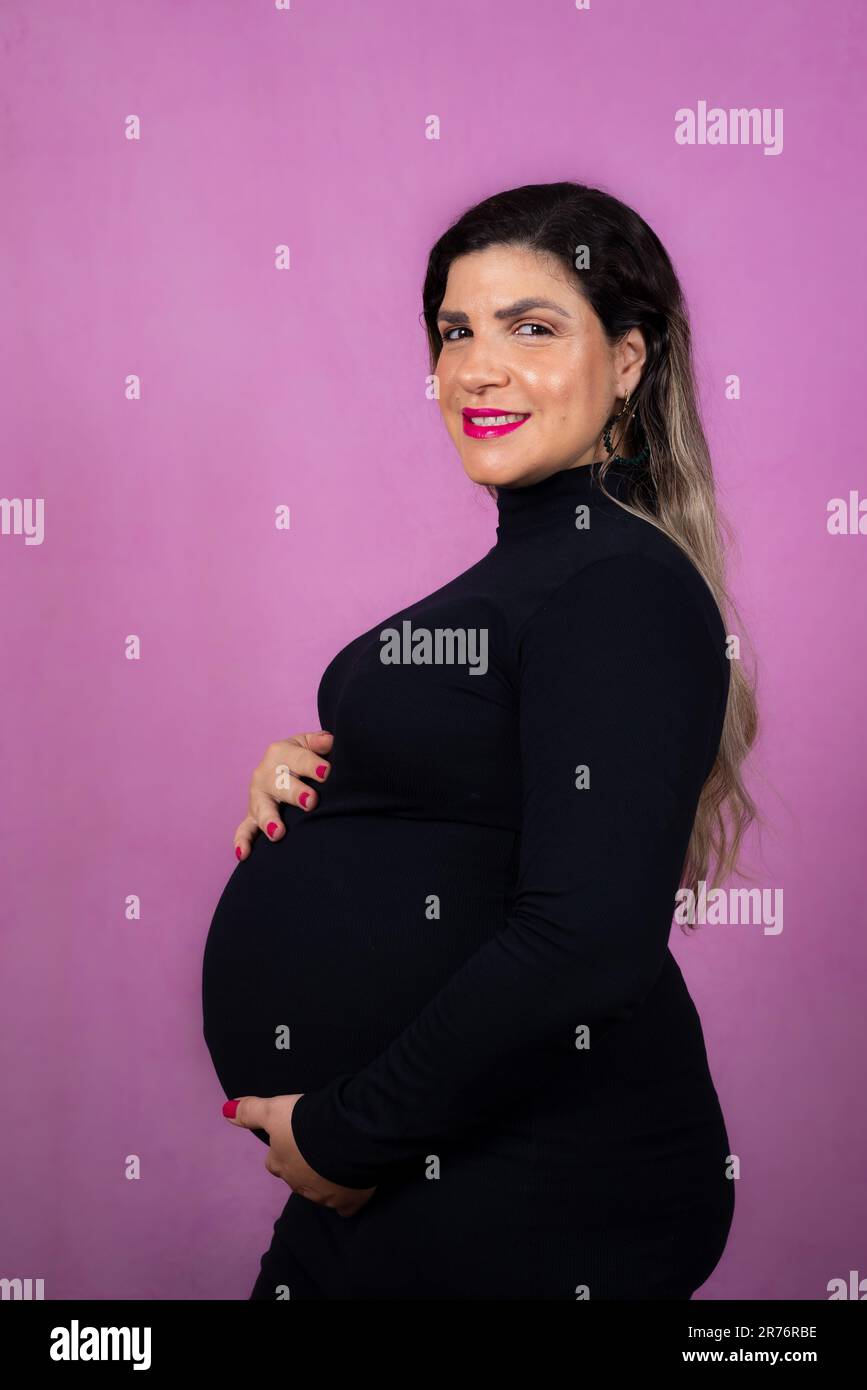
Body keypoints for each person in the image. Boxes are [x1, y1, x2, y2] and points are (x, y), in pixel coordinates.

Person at [201, 180, 759, 1300]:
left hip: (533, 1188)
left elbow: (586, 940)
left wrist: (351, 1131)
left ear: (630, 360)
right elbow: (476, 790)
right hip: (422, 1180)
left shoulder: (618, 585)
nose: (476, 369)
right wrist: (329, 779)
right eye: (456, 332)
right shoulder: (534, 577)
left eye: (531, 328)